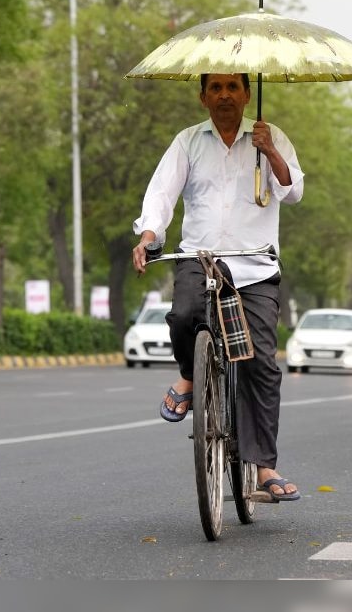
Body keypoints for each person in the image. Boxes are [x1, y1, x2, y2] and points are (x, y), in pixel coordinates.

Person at [131, 72, 305, 502]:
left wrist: (270, 152)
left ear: (247, 94)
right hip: (201, 259)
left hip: (255, 266)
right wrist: (150, 236)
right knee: (184, 315)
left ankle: (264, 465)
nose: (225, 95)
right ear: (203, 97)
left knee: (261, 363)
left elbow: (294, 191)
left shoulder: (270, 135)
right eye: (216, 88)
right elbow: (161, 194)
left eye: (233, 87)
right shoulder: (188, 142)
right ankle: (191, 376)